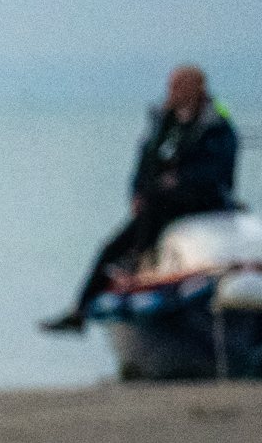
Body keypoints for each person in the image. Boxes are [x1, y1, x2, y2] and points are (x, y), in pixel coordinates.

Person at [43, 63, 237, 332]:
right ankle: (80, 311)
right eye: (172, 86)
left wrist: (180, 179)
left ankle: (140, 253)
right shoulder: (164, 123)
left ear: (197, 88)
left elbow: (219, 170)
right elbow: (145, 163)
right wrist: (137, 192)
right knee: (110, 249)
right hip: (159, 204)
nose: (172, 91)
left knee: (158, 199)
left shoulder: (216, 126)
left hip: (200, 200)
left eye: (179, 86)